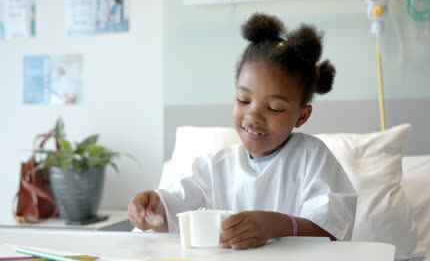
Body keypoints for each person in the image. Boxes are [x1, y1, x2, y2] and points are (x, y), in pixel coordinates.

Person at [128, 13, 357, 250]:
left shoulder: (312, 158)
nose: (253, 117)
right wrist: (150, 212)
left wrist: (276, 224)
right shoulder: (213, 168)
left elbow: (331, 231)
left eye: (274, 108)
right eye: (243, 100)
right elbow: (172, 219)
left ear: (302, 115)